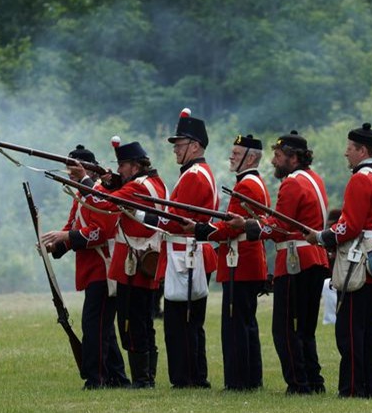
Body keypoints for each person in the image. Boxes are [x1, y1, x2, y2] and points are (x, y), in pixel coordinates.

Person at [231, 130, 329, 395]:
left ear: (293, 158)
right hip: (315, 258)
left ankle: (299, 384)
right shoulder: (314, 179)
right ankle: (313, 381)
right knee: (305, 329)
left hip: (297, 260)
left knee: (285, 330)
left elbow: (279, 227)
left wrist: (249, 225)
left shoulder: (292, 183)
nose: (274, 161)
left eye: (278, 156)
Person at [307, 123, 372, 399]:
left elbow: (350, 225)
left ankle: (353, 387)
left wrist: (322, 237)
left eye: (350, 149)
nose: (346, 154)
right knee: (371, 328)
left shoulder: (360, 179)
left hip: (358, 257)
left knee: (351, 328)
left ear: (362, 150)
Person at [186, 134, 270, 391]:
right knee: (245, 324)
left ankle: (239, 381)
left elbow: (232, 227)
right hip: (244, 260)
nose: (231, 157)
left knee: (236, 325)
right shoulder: (252, 182)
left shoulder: (246, 185)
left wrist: (202, 230)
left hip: (241, 262)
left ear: (251, 157)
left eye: (236, 153)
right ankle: (249, 379)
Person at [41, 145, 129, 389]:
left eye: (74, 168)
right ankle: (117, 378)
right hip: (93, 269)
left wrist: (65, 237)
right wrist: (54, 245)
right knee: (102, 327)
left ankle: (96, 379)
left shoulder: (100, 192)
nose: (70, 173)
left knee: (94, 326)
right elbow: (71, 227)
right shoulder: (82, 194)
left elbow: (100, 232)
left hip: (104, 267)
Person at [146, 109, 218, 388]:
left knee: (180, 322)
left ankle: (186, 377)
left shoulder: (193, 176)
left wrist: (144, 215)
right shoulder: (199, 173)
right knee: (189, 321)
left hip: (184, 255)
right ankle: (194, 375)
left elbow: (174, 220)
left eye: (181, 144)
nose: (176, 149)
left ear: (196, 145)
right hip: (188, 253)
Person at [91, 139, 168, 388]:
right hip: (148, 257)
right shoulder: (153, 182)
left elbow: (102, 203)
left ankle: (142, 379)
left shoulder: (137, 186)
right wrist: (113, 182)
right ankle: (146, 377)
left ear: (134, 166)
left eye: (122, 165)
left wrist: (94, 184)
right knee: (143, 320)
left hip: (134, 262)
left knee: (131, 322)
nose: (120, 170)